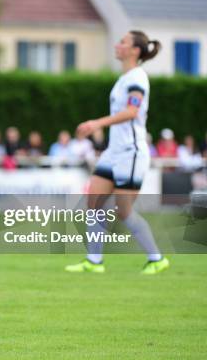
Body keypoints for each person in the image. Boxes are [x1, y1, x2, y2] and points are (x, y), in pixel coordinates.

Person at [65, 30, 169, 275]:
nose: (118, 44)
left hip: (131, 154)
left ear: (135, 50)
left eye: (123, 42)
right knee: (94, 204)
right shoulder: (124, 78)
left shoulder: (137, 77)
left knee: (124, 212)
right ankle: (94, 261)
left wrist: (96, 123)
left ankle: (156, 258)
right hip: (114, 152)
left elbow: (132, 112)